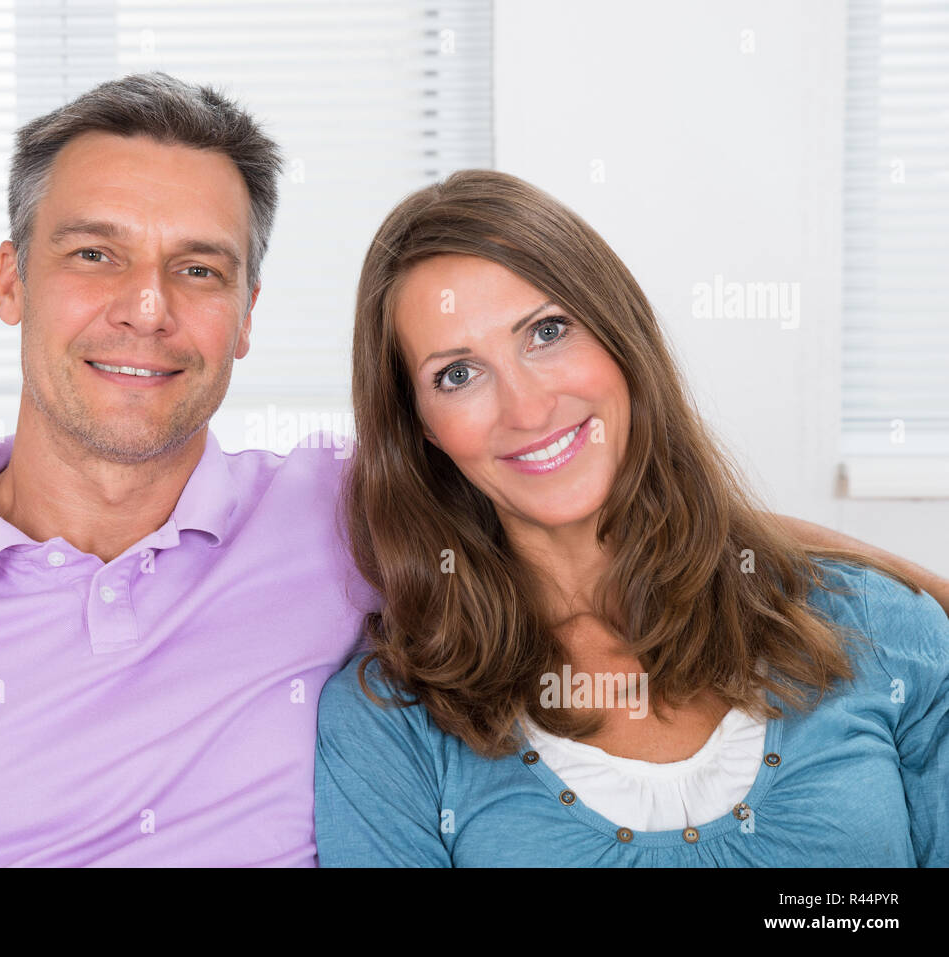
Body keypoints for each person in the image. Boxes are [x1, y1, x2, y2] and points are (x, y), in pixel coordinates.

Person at [0, 74, 943, 868]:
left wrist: (882, 579)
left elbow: (571, 472)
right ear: (11, 279)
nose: (147, 307)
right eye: (95, 252)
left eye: (199, 267)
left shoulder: (352, 508)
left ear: (249, 312)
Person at [314, 168, 949, 867]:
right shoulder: (388, 726)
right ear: (421, 428)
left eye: (547, 331)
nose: (527, 409)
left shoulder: (883, 630)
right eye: (457, 374)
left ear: (621, 336)